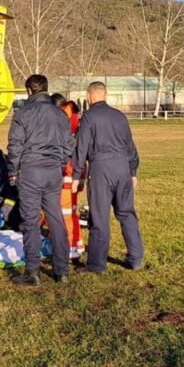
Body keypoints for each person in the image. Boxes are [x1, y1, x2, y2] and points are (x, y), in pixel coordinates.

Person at [7, 74, 73, 285]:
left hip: (30, 170)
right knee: (55, 219)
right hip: (53, 170)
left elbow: (15, 145)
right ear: (46, 88)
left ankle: (32, 270)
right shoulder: (60, 114)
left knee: (31, 221)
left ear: (29, 91)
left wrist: (13, 170)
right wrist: (60, 163)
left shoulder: (23, 113)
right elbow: (69, 145)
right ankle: (61, 270)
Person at [72, 81, 144, 273]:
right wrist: (133, 171)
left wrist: (76, 176)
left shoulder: (88, 117)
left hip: (100, 168)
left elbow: (81, 148)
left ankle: (96, 264)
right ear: (106, 95)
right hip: (122, 167)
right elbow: (130, 146)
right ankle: (136, 258)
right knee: (127, 213)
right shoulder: (120, 116)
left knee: (99, 217)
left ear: (89, 96)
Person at [50, 93, 86, 262]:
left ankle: (70, 249)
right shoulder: (72, 122)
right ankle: (75, 245)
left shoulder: (61, 124)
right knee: (70, 213)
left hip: (65, 176)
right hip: (73, 175)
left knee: (64, 214)